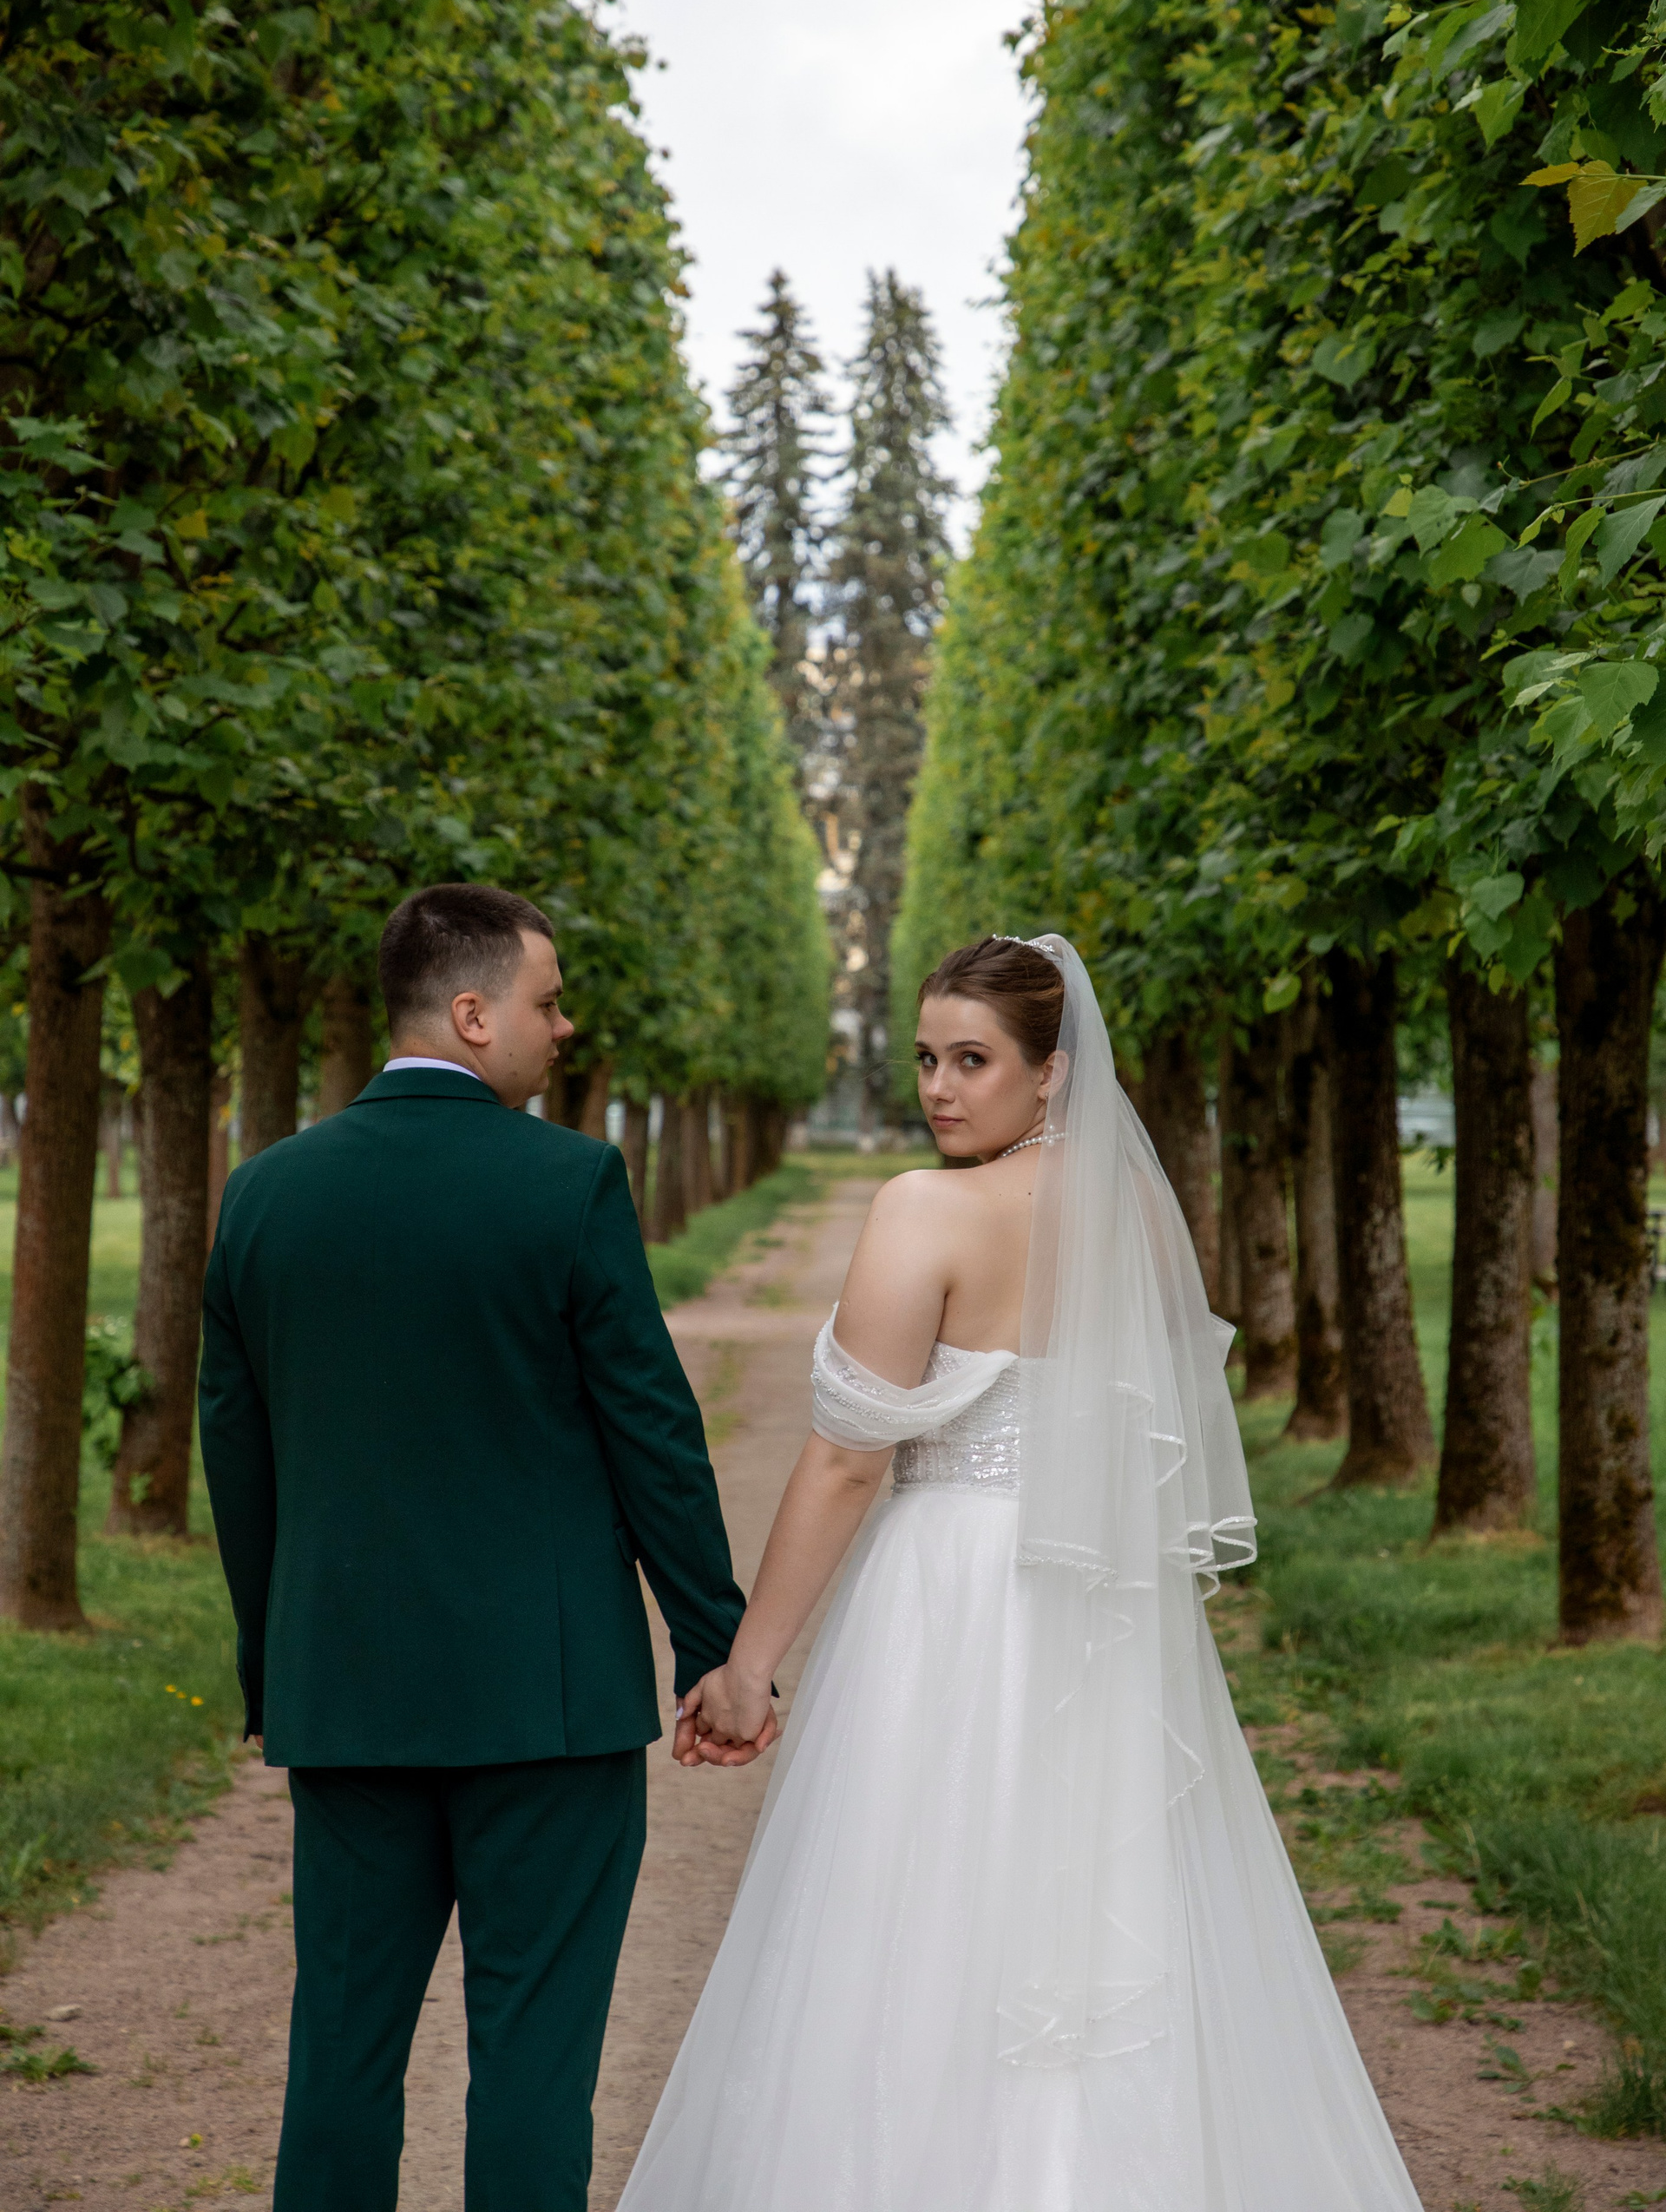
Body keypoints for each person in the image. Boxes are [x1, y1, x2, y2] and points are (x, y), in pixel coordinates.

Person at [620, 933, 1425, 2212]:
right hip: (1098, 1597)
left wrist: (748, 1667)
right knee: (1102, 1892)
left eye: (973, 1061)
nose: (940, 1090)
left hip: (950, 1588)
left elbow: (846, 1463)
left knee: (916, 1892)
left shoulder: (923, 1210)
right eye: (926, 1060)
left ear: (1051, 1072)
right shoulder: (1138, 1211)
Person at [198, 883, 749, 2212]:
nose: (565, 1027)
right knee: (532, 2064)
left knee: (340, 2055)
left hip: (346, 1699)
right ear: (471, 1012)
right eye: (547, 1003)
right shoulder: (569, 1183)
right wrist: (714, 1645)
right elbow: (651, 1433)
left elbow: (240, 1461)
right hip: (546, 1709)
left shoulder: (262, 1197)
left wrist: (280, 1671)